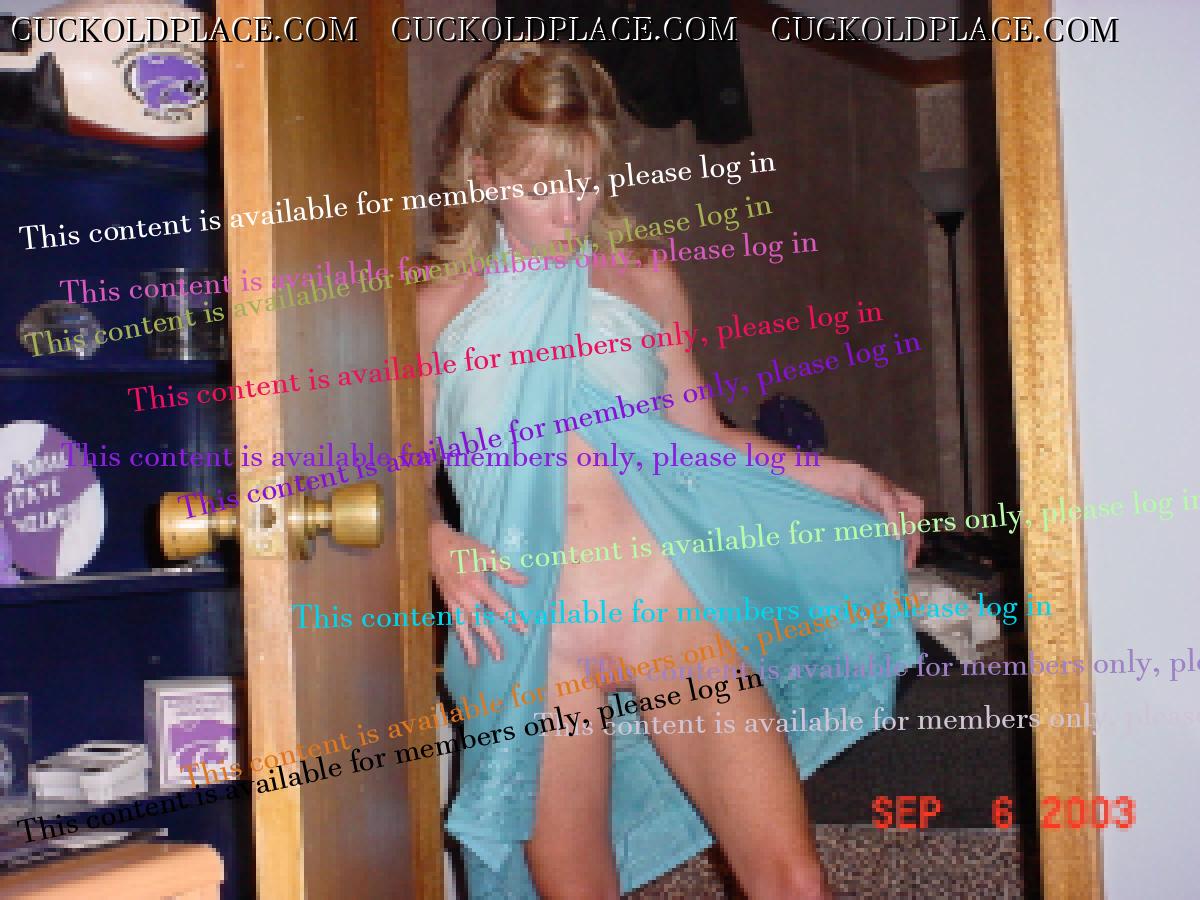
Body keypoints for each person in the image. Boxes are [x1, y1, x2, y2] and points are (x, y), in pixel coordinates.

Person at [416, 41, 923, 900]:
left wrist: (849, 478)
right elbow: (391, 481)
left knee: (793, 880)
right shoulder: (436, 310)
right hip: (535, 635)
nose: (568, 209)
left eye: (584, 179)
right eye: (540, 184)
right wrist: (435, 542)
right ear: (483, 175)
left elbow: (707, 439)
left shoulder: (642, 281)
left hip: (665, 603)